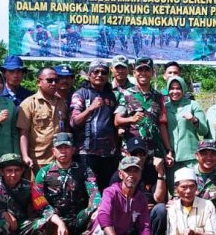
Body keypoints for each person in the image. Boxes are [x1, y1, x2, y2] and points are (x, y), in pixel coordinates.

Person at [87, 155, 158, 235]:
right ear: (121, 174)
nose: (131, 175)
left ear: (140, 174)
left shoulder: (140, 199)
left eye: (135, 171)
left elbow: (144, 227)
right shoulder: (111, 192)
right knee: (101, 232)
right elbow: (103, 216)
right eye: (128, 171)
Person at [0, 154, 64, 235]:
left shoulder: (29, 186)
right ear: (1, 171)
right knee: (2, 225)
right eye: (9, 170)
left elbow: (44, 207)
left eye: (17, 170)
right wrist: (3, 214)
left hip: (21, 226)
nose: (13, 174)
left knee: (44, 224)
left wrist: (60, 223)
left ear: (22, 171)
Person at [34, 133, 101, 235]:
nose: (63, 151)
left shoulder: (84, 170)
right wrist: (58, 221)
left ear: (73, 150)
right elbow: (39, 201)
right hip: (54, 219)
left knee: (100, 215)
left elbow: (94, 193)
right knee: (35, 226)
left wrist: (97, 208)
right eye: (59, 148)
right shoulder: (43, 173)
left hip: (78, 219)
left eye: (67, 147)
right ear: (53, 151)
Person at [69, 59, 120, 189]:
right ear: (89, 74)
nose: (99, 75)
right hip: (86, 152)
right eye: (95, 72)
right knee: (91, 191)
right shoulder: (80, 94)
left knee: (107, 190)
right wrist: (90, 108)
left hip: (108, 154)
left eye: (103, 72)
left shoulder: (111, 96)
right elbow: (74, 122)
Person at [114, 57, 171, 167]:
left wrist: (168, 150)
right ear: (134, 73)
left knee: (154, 182)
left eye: (147, 70)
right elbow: (117, 120)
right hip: (132, 151)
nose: (143, 73)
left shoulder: (159, 97)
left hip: (153, 151)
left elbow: (162, 124)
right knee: (132, 182)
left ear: (152, 73)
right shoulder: (126, 94)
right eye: (140, 70)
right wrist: (131, 119)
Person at [17, 66, 68, 170]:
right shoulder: (28, 104)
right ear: (38, 82)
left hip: (58, 160)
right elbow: (23, 133)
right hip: (37, 161)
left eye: (56, 80)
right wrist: (25, 156)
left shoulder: (62, 103)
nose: (54, 83)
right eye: (49, 80)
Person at [163, 76, 209, 175]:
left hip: (190, 157)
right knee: (174, 188)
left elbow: (204, 131)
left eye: (178, 88)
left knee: (191, 187)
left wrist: (194, 120)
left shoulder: (193, 105)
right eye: (172, 88)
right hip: (171, 157)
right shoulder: (165, 107)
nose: (175, 91)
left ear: (183, 89)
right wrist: (167, 151)